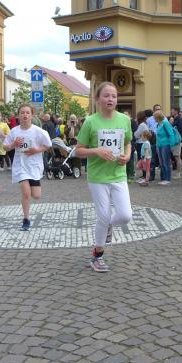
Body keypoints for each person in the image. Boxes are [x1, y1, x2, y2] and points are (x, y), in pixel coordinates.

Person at [75, 82, 133, 273]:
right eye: (106, 95)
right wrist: (97, 151)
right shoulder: (90, 122)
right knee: (103, 215)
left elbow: (128, 143)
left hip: (118, 174)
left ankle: (107, 224)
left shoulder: (124, 120)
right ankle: (97, 256)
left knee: (125, 216)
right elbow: (78, 150)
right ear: (97, 99)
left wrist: (127, 156)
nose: (110, 99)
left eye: (114, 96)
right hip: (98, 177)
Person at [3, 104, 51, 231]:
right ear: (18, 115)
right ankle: (26, 219)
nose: (25, 115)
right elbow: (5, 147)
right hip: (20, 166)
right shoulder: (14, 131)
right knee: (26, 193)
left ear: (32, 115)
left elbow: (48, 145)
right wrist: (13, 144)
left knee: (36, 195)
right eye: (22, 112)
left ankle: (27, 216)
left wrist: (36, 150)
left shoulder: (38, 131)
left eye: (27, 113)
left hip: (34, 166)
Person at [153, 111, 177, 185]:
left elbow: (171, 134)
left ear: (158, 117)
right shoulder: (158, 124)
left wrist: (171, 145)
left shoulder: (165, 123)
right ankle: (163, 178)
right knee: (161, 163)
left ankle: (167, 179)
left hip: (165, 145)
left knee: (166, 162)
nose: (154, 119)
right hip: (159, 145)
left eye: (154, 117)